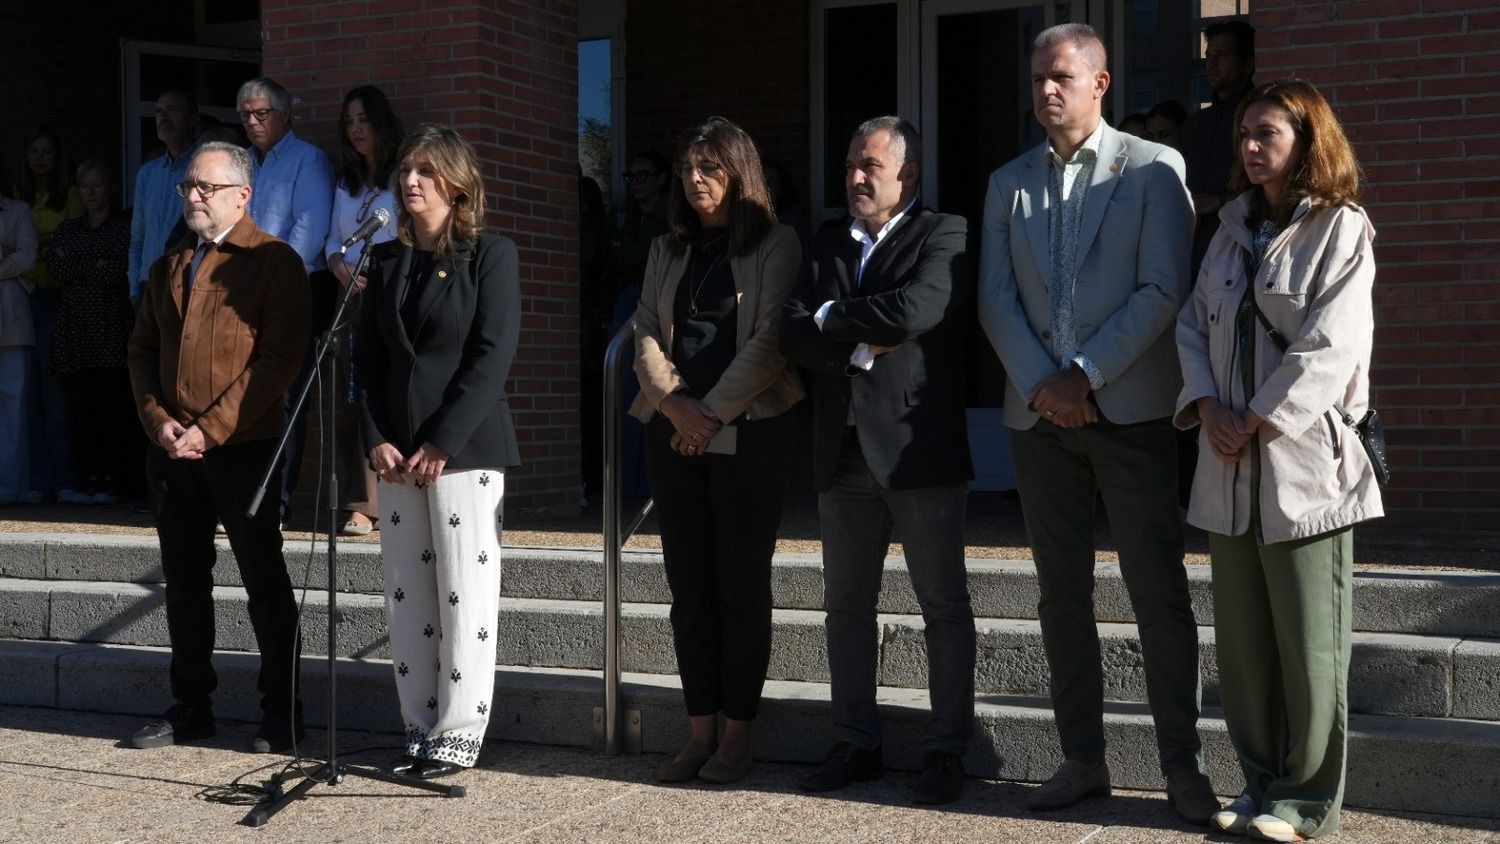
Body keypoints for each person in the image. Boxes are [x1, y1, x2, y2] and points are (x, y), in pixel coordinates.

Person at [976, 23, 1219, 823]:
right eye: (1038, 77)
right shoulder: (1008, 181)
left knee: (1158, 594)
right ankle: (1082, 760)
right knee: (1060, 598)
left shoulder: (1155, 170)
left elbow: (1162, 289)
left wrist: (1083, 375)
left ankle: (1181, 768)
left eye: (1063, 76)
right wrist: (1047, 388)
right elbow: (996, 301)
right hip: (1038, 419)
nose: (1048, 88)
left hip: (1131, 413)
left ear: (1101, 82)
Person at [1176, 78, 1382, 843]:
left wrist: (1256, 417)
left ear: (1308, 141)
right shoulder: (1228, 229)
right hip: (1227, 467)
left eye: (1267, 134)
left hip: (1302, 469)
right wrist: (1206, 408)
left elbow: (1334, 347)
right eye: (1243, 136)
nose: (1251, 148)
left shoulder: (1341, 230)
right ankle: (1259, 783)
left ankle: (1307, 802)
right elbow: (1192, 329)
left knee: (1309, 644)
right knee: (1245, 646)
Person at [783, 116, 976, 806]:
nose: (856, 178)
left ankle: (947, 748)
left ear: (909, 176)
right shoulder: (827, 242)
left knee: (942, 605)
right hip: (840, 450)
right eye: (849, 166)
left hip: (918, 452)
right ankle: (855, 741)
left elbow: (918, 309)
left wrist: (835, 320)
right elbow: (794, 331)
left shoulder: (944, 231)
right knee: (845, 607)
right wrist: (856, 341)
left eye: (870, 166)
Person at [630, 116, 804, 786]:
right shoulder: (666, 248)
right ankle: (698, 730)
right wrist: (675, 405)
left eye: (711, 168)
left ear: (740, 173)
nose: (696, 181)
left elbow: (769, 341)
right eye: (688, 169)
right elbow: (644, 327)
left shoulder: (776, 243)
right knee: (689, 588)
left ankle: (737, 737)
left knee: (739, 586)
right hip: (671, 427)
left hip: (751, 427)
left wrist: (709, 414)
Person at [125, 141, 310, 753]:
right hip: (174, 449)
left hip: (243, 447)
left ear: (242, 194)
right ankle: (191, 706)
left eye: (204, 187)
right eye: (187, 188)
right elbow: (143, 352)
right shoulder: (169, 262)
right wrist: (162, 425)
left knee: (263, 577)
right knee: (184, 579)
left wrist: (213, 427)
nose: (193, 198)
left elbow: (279, 359)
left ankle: (282, 712)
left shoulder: (272, 260)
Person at [357, 124, 521, 780]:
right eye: (405, 172)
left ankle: (457, 732)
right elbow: (365, 364)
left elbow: (492, 355)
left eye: (425, 171)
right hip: (397, 458)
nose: (410, 181)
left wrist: (441, 443)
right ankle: (417, 726)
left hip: (466, 452)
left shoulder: (491, 254)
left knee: (463, 597)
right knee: (409, 596)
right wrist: (375, 438)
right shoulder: (386, 261)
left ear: (457, 184)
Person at [237, 76, 336, 527]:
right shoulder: (244, 166)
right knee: (245, 394)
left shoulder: (307, 159)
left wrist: (268, 282)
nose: (253, 122)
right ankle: (243, 496)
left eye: (262, 114)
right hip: (243, 292)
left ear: (286, 115)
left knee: (286, 399)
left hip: (296, 288)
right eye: (245, 115)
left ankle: (275, 503)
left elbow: (309, 232)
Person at [324, 85, 403, 537]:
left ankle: (391, 498)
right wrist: (338, 266)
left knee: (385, 391)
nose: (355, 129)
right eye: (349, 121)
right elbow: (334, 238)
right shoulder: (345, 179)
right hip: (348, 292)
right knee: (348, 395)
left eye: (364, 120)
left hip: (387, 290)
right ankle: (360, 504)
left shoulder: (401, 175)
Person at [46, 160, 136, 504]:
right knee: (81, 409)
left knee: (113, 406)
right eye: (86, 186)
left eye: (98, 185)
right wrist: (95, 264)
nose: (92, 192)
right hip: (75, 333)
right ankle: (89, 476)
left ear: (110, 187)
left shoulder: (122, 227)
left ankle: (116, 478)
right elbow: (55, 265)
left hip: (111, 330)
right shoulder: (69, 229)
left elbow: (119, 268)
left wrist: (82, 266)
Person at [20, 128, 83, 504]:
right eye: (33, 150)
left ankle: (64, 478)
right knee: (25, 396)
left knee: (54, 395)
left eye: (47, 151)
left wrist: (29, 242)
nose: (40, 157)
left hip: (57, 299)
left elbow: (68, 240)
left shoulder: (71, 195)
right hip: (21, 296)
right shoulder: (16, 199)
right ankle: (36, 480)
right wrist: (39, 241)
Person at [1181, 20, 1256, 277]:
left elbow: (1276, 188)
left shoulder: (1260, 119)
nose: (1210, 65)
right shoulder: (1196, 124)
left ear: (1248, 64)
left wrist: (1220, 202)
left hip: (1244, 245)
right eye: (1208, 56)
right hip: (1198, 250)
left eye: (1221, 56)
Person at [129, 91, 200, 309]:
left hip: (189, 283)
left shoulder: (205, 166)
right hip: (148, 285)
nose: (163, 116)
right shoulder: (148, 174)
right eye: (158, 111)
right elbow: (138, 238)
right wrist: (134, 287)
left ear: (192, 119)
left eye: (171, 109)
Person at [0, 158, 39, 506]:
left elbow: (28, 256)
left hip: (11, 319)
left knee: (14, 404)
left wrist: (7, 262)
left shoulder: (18, 210)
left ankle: (12, 487)